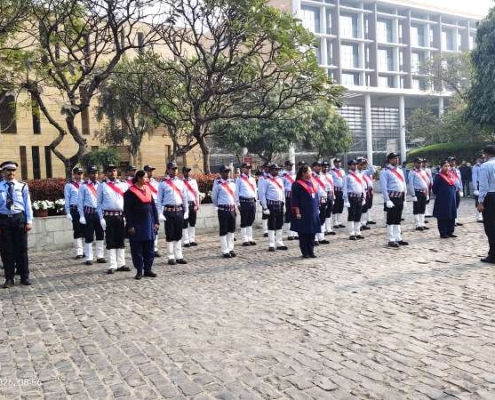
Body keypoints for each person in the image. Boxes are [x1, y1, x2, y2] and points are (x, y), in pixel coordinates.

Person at [0, 161, 33, 288]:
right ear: (3, 172)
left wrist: (29, 221)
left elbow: (27, 204)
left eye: (13, 170)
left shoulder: (22, 186)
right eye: (8, 170)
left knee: (22, 249)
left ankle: (25, 276)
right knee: (6, 250)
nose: (11, 173)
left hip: (19, 218)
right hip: (4, 220)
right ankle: (9, 278)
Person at [124, 170, 159, 279]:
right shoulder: (130, 192)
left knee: (149, 248)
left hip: (149, 222)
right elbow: (127, 210)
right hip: (137, 224)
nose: (147, 179)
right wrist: (130, 225)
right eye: (145, 177)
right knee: (137, 249)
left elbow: (153, 206)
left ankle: (148, 269)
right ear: (139, 178)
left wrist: (156, 221)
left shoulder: (147, 189)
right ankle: (139, 270)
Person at [97, 164, 129, 274]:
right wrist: (101, 218)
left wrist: (126, 216)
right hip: (108, 216)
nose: (113, 173)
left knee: (121, 239)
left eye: (114, 170)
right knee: (110, 240)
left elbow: (127, 202)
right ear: (106, 173)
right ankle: (112, 265)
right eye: (110, 171)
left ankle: (121, 263)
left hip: (120, 216)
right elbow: (99, 204)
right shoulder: (102, 186)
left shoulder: (123, 185)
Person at [157, 161, 189, 265]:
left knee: (178, 234)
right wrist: (159, 213)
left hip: (179, 210)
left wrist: (186, 210)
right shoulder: (163, 184)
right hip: (168, 211)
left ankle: (179, 255)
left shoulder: (181, 182)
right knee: (170, 234)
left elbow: (184, 198)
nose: (175, 171)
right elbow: (159, 200)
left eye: (176, 169)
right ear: (168, 170)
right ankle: (171, 256)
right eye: (172, 169)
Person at [78, 165, 106, 265]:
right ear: (89, 174)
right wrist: (81, 215)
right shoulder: (84, 186)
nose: (94, 175)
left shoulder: (101, 185)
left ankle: (100, 256)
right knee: (89, 236)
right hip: (88, 214)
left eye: (96, 173)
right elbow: (80, 202)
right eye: (92, 173)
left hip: (99, 214)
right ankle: (89, 257)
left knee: (100, 235)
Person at [290, 165, 320, 258]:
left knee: (312, 232)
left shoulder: (313, 183)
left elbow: (316, 197)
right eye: (309, 171)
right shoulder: (297, 184)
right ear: (303, 173)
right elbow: (295, 199)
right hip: (303, 212)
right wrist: (297, 211)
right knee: (303, 233)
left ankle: (311, 251)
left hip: (313, 211)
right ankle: (305, 252)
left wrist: (317, 208)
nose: (311, 173)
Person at [381, 152, 408, 248]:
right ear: (390, 160)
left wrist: (404, 198)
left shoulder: (400, 170)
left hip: (400, 197)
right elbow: (383, 187)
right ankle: (391, 239)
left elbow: (404, 184)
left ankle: (398, 238)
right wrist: (387, 200)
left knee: (398, 218)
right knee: (391, 218)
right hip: (392, 198)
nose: (397, 160)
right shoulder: (385, 171)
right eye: (394, 158)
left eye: (397, 158)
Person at [259, 164, 288, 251]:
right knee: (271, 224)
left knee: (279, 223)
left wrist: (284, 204)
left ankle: (279, 242)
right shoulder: (266, 181)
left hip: (279, 204)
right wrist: (265, 207)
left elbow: (282, 192)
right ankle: (271, 244)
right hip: (271, 204)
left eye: (278, 170)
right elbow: (262, 194)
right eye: (275, 169)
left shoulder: (280, 180)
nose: (277, 171)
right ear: (271, 170)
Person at [212, 165, 237, 258]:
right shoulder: (218, 184)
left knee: (231, 230)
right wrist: (218, 206)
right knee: (223, 230)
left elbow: (235, 196)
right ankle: (225, 250)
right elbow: (214, 197)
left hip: (232, 209)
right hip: (223, 209)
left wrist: (235, 207)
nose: (227, 173)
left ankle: (230, 248)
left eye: (228, 171)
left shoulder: (233, 183)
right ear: (221, 173)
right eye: (225, 172)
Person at [477, 145, 495, 263]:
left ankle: (493, 255)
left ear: (487, 154)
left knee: (490, 227)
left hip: (491, 196)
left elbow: (483, 186)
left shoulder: (486, 166)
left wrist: (480, 202)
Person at [432, 160, 457, 239]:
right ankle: (443, 232)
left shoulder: (451, 175)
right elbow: (434, 187)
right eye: (445, 166)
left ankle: (450, 231)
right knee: (443, 215)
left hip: (452, 198)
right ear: (441, 167)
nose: (447, 167)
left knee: (451, 214)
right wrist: (441, 194)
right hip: (442, 199)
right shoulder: (439, 176)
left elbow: (454, 186)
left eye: (448, 166)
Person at [64, 167, 85, 259]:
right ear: (74, 175)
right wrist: (68, 212)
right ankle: (79, 251)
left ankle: (86, 249)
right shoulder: (69, 185)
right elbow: (67, 199)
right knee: (77, 229)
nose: (80, 175)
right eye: (78, 173)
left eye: (81, 173)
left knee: (86, 230)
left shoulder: (86, 184)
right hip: (75, 210)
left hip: (85, 210)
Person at [235, 163, 257, 246]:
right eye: (247, 168)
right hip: (243, 201)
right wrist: (237, 203)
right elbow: (236, 191)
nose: (248, 169)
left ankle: (250, 238)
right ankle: (244, 239)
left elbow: (255, 190)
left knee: (251, 220)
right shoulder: (239, 179)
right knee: (244, 220)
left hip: (252, 201)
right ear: (243, 169)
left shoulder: (252, 179)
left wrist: (255, 200)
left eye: (249, 168)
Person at [343, 159, 366, 240]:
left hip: (359, 197)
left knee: (358, 214)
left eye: (356, 164)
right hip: (351, 197)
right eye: (353, 164)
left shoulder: (359, 175)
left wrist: (364, 197)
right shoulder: (347, 176)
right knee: (351, 215)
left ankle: (357, 232)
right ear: (349, 166)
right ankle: (351, 233)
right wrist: (346, 200)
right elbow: (344, 189)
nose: (355, 166)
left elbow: (362, 187)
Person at [408, 157, 430, 231]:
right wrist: (413, 195)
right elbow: (411, 184)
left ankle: (422, 223)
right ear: (414, 163)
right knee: (417, 208)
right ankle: (417, 224)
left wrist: (427, 194)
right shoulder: (412, 172)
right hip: (417, 192)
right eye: (418, 162)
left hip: (424, 192)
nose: (420, 164)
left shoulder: (423, 171)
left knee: (422, 208)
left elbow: (426, 183)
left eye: (421, 163)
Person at [144, 165, 161, 256]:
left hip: (154, 207)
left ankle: (154, 248)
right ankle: (147, 248)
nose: (150, 172)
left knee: (155, 227)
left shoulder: (156, 183)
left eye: (151, 171)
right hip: (145, 207)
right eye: (148, 171)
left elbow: (159, 197)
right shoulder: (142, 183)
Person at [311, 162, 330, 245]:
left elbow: (326, 187)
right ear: (313, 167)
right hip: (314, 200)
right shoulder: (310, 176)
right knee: (315, 219)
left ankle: (321, 237)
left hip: (323, 199)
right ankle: (314, 238)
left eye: (320, 166)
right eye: (318, 166)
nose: (319, 167)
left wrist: (326, 197)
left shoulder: (323, 176)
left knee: (322, 218)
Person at [182, 166, 200, 247]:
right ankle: (186, 241)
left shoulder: (193, 181)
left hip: (192, 204)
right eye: (186, 171)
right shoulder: (180, 182)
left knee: (192, 222)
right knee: (185, 223)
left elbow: (196, 193)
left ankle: (192, 239)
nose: (187, 173)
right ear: (183, 172)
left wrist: (197, 204)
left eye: (188, 171)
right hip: (184, 205)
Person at [357, 157, 376, 230]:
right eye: (361, 164)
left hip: (368, 191)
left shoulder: (365, 172)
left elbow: (373, 171)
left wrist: (368, 163)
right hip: (361, 192)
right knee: (361, 208)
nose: (362, 165)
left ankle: (364, 223)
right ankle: (359, 224)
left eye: (363, 164)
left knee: (366, 207)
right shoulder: (356, 172)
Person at [281, 161, 298, 241]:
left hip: (295, 196)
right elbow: (282, 187)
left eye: (291, 165)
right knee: (289, 214)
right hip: (288, 196)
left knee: (295, 213)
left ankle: (295, 232)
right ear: (286, 166)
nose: (290, 167)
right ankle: (289, 233)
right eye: (289, 165)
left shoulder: (294, 175)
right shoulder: (283, 175)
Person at [447, 156, 464, 227]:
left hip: (457, 190)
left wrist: (461, 189)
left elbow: (460, 180)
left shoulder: (457, 170)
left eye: (454, 161)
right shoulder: (446, 170)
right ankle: (451, 220)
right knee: (451, 206)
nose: (453, 162)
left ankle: (455, 220)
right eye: (451, 161)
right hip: (451, 190)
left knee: (456, 205)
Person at [321, 161, 336, 236]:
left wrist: (333, 195)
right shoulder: (320, 176)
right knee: (323, 212)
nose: (326, 168)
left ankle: (328, 228)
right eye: (324, 167)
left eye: (327, 167)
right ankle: (323, 229)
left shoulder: (330, 175)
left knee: (329, 211)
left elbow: (332, 185)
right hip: (324, 194)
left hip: (330, 194)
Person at [330, 158, 345, 229]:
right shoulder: (331, 172)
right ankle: (334, 222)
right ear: (334, 163)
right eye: (336, 162)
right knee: (335, 206)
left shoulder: (342, 171)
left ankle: (339, 221)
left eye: (339, 162)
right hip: (335, 190)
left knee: (341, 206)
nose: (338, 163)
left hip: (342, 190)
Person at [257, 163, 270, 237]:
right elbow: (259, 188)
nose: (267, 168)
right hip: (264, 197)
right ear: (264, 168)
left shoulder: (271, 176)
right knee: (265, 214)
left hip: (270, 197)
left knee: (271, 214)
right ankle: (265, 230)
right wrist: (260, 199)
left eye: (268, 167)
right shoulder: (262, 177)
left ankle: (270, 228)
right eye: (266, 167)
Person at [472, 154, 485, 223]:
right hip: (478, 184)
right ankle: (479, 216)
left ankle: (483, 215)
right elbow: (474, 177)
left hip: (485, 184)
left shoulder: (486, 165)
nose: (483, 159)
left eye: (483, 158)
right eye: (481, 158)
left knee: (485, 200)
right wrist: (475, 188)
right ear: (478, 158)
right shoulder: (475, 167)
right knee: (478, 200)